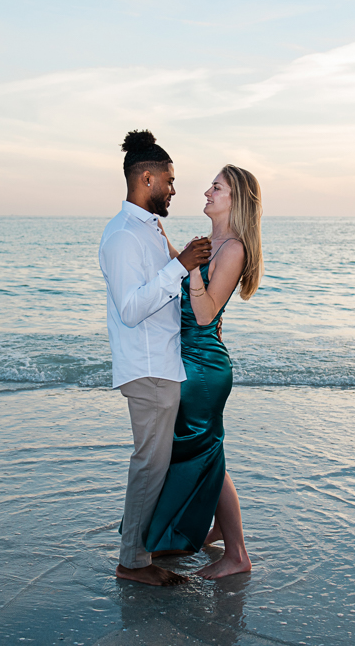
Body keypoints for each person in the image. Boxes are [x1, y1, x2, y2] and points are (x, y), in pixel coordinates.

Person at [98, 130, 212, 587]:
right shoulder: (124, 235)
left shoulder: (147, 228)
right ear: (146, 178)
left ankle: (151, 543)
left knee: (157, 463)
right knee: (149, 464)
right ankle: (133, 561)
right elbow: (130, 309)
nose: (173, 189)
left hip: (162, 363)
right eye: (168, 179)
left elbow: (168, 289)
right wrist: (179, 266)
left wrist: (185, 266)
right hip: (146, 367)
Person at [145, 164, 264, 579]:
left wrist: (190, 266)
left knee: (205, 453)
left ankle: (236, 555)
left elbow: (204, 312)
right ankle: (215, 532)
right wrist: (172, 249)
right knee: (207, 455)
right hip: (187, 361)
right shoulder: (210, 242)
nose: (207, 192)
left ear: (237, 200)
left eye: (217, 188)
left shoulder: (233, 249)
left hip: (203, 368)